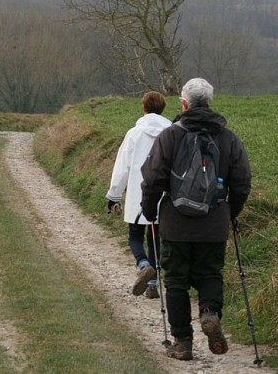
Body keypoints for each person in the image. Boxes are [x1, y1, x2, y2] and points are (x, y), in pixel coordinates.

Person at [141, 78, 251, 361]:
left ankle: (182, 343)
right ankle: (209, 313)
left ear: (184, 103)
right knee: (210, 274)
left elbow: (153, 178)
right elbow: (241, 182)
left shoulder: (170, 136)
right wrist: (230, 213)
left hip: (175, 223)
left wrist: (150, 211)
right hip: (213, 222)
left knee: (176, 281)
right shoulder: (228, 138)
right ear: (210, 103)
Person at [106, 91, 171, 299]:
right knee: (155, 239)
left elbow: (122, 167)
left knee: (135, 236)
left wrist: (114, 195)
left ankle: (142, 264)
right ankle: (152, 285)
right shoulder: (171, 133)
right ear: (163, 109)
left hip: (138, 196)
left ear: (143, 108)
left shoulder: (134, 133)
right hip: (163, 196)